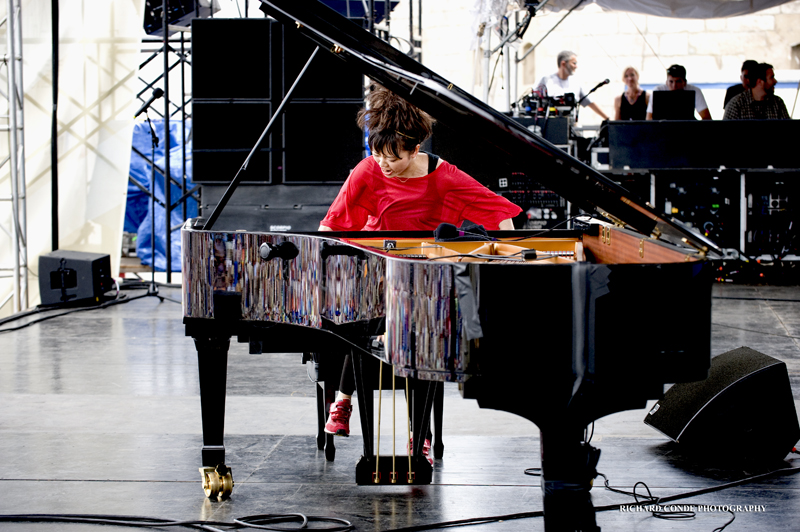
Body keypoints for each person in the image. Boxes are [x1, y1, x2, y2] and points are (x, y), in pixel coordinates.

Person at [319, 85, 521, 463]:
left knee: (417, 331)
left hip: (423, 282)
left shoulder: (444, 177)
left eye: (392, 157)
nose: (382, 164)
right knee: (364, 316)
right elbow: (332, 225)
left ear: (415, 149)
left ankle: (418, 437)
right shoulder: (368, 169)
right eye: (376, 153)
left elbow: (499, 213)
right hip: (375, 273)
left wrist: (511, 257)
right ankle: (344, 403)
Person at [535, 50, 609, 120]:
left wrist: (608, 119)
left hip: (571, 127)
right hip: (549, 125)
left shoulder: (576, 82)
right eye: (574, 63)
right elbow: (534, 98)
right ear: (563, 64)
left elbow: (590, 102)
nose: (576, 66)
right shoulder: (546, 80)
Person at [723, 62, 790, 120]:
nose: (775, 81)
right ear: (760, 82)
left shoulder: (777, 103)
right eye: (771, 77)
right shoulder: (736, 105)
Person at [646, 64, 712, 120]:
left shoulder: (695, 91)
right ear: (666, 82)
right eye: (671, 81)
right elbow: (649, 118)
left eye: (678, 81)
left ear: (685, 82)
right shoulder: (658, 90)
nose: (674, 85)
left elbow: (706, 118)